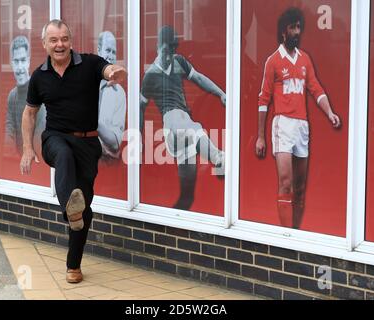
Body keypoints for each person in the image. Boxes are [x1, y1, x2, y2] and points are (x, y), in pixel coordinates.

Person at [19, 20, 127, 283]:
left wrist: (113, 71)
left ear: (71, 41)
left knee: (84, 206)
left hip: (88, 144)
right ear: (44, 44)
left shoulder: (88, 63)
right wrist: (26, 149)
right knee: (64, 157)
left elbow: (105, 68)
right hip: (55, 140)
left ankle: (73, 266)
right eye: (54, 40)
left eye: (64, 39)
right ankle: (71, 210)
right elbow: (30, 112)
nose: (60, 45)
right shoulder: (39, 76)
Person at [255, 8, 341, 229]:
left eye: (298, 27)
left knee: (300, 187)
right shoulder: (273, 61)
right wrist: (260, 137)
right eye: (292, 27)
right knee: (286, 183)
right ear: (283, 32)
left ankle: (296, 232)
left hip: (302, 126)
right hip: (282, 124)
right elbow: (263, 100)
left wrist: (329, 112)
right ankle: (286, 239)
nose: (296, 32)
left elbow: (316, 88)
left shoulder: (305, 59)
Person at [140, 26, 226, 211]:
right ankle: (218, 157)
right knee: (188, 125)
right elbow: (140, 107)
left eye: (172, 51)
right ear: (157, 46)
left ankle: (177, 218)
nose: (169, 56)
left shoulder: (179, 62)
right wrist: (139, 138)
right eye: (165, 51)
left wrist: (221, 94)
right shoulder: (150, 76)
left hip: (184, 128)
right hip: (171, 121)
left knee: (187, 197)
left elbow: (199, 79)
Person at [5, 35, 46, 155]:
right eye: (16, 61)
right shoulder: (12, 96)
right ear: (11, 63)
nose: (19, 68)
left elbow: (40, 136)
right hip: (18, 161)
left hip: (36, 159)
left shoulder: (39, 92)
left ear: (28, 61)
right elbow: (9, 130)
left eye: (23, 60)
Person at [97, 31, 126, 160]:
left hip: (105, 161)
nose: (111, 56)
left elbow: (115, 143)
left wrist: (91, 121)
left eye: (114, 53)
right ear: (99, 51)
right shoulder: (83, 83)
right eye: (108, 50)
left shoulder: (118, 93)